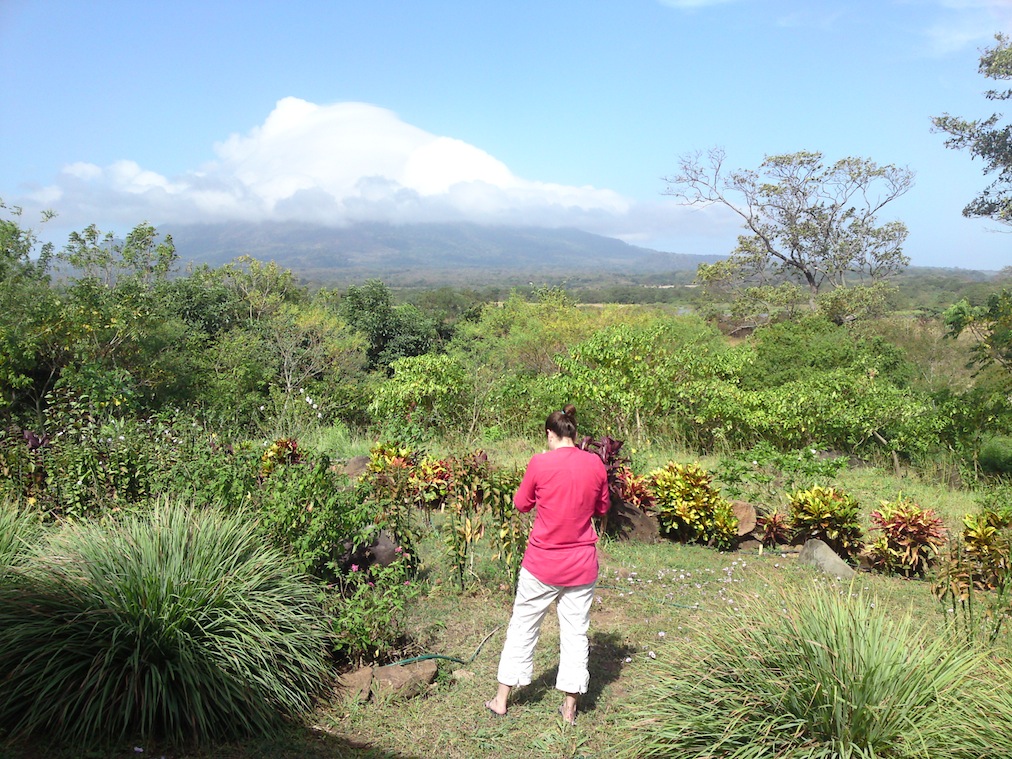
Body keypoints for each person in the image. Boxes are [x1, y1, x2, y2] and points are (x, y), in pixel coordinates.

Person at [484, 404, 610, 726]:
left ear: (550, 434)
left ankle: (501, 699)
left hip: (542, 564)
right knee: (575, 633)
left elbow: (521, 504)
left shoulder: (540, 462)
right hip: (581, 564)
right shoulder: (595, 463)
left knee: (523, 626)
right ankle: (569, 708)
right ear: (575, 434)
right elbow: (601, 507)